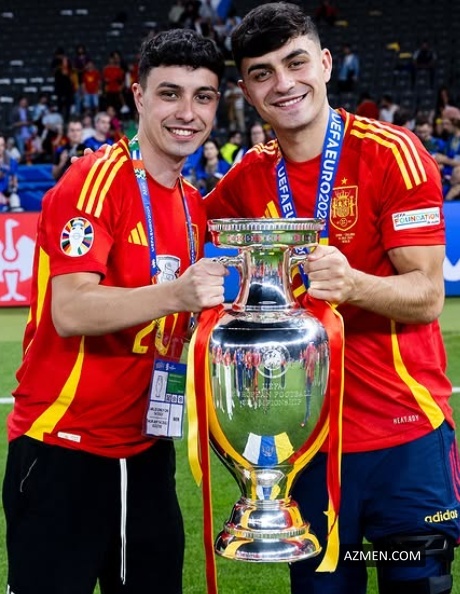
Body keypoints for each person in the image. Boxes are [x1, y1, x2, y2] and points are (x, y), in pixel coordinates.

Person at [203, 3, 460, 593]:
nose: (283, 83)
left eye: (295, 62)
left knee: (415, 583)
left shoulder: (391, 153)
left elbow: (427, 295)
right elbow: (179, 224)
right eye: (262, 73)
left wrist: (355, 285)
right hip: (305, 447)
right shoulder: (247, 178)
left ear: (323, 63)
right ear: (247, 92)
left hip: (403, 437)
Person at [2, 27, 226, 594]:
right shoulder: (95, 178)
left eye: (203, 96)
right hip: (64, 449)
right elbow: (71, 309)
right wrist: (177, 294)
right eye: (170, 93)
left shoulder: (191, 203)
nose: (187, 112)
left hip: (147, 450)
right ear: (138, 97)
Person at [0, 133, 22, 212]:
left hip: (7, 194)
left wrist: (13, 190)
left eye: (2, 145)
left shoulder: (11, 161)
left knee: (15, 202)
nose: (0, 148)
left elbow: (14, 181)